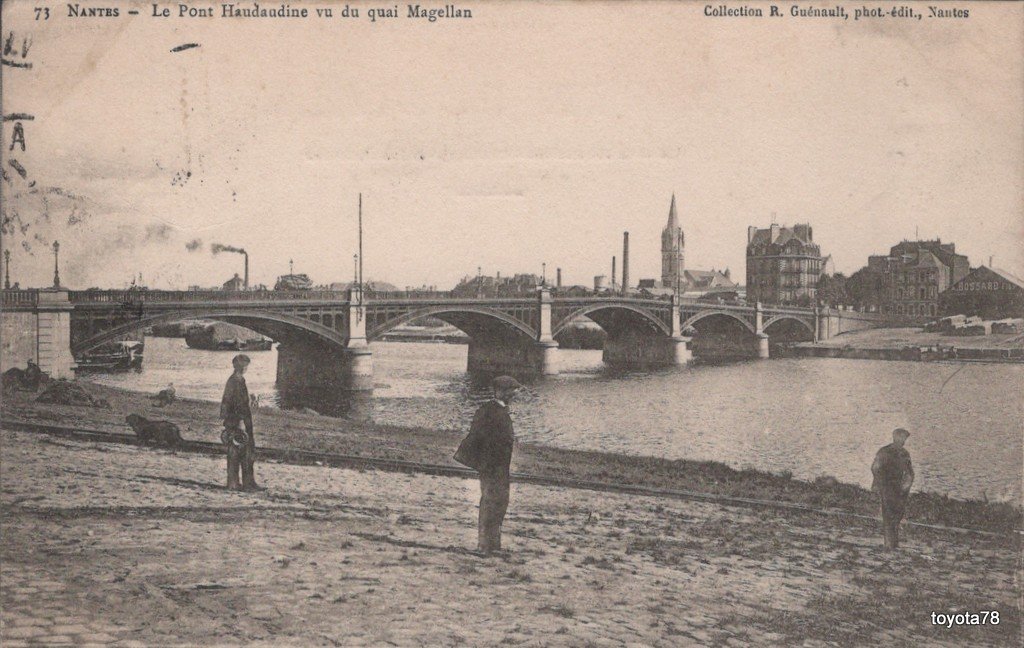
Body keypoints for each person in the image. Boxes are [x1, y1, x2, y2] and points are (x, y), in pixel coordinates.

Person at [454, 375, 522, 554]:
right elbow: (477, 437)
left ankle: (494, 545)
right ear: (501, 392)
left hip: (500, 467)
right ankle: (484, 545)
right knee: (490, 503)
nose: (514, 394)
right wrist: (485, 462)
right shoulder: (488, 411)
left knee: (500, 503)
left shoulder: (499, 410)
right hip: (492, 467)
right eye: (511, 391)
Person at [220, 354, 261, 491]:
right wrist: (241, 422)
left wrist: (250, 400)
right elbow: (237, 404)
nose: (247, 368)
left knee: (240, 452)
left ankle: (240, 482)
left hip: (237, 420)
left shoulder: (234, 380)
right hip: (239, 421)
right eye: (246, 366)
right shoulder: (237, 381)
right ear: (242, 366)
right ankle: (241, 483)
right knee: (241, 452)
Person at [871, 428, 914, 550]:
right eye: (902, 438)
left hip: (899, 488)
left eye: (905, 438)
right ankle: (889, 544)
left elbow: (909, 472)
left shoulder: (904, 453)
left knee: (897, 514)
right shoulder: (885, 452)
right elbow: (875, 468)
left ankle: (893, 543)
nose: (903, 441)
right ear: (895, 437)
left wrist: (906, 486)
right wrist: (880, 483)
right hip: (888, 486)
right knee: (889, 514)